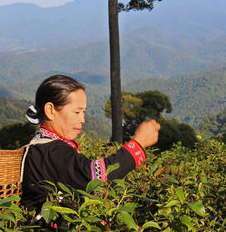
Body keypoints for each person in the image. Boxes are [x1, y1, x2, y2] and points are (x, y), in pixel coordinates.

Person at [20, 75, 160, 213]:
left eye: (83, 112)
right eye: (77, 112)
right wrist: (138, 144)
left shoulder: (47, 146)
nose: (83, 120)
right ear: (51, 111)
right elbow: (95, 178)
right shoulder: (51, 151)